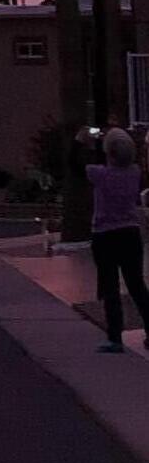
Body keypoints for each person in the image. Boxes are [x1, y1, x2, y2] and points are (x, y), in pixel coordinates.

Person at [88, 127, 149, 354]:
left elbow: (76, 165)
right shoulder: (134, 172)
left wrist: (83, 141)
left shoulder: (100, 175)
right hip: (131, 234)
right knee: (137, 285)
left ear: (109, 152)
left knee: (110, 287)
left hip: (105, 236)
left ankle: (115, 337)